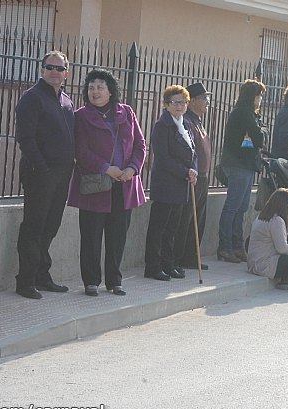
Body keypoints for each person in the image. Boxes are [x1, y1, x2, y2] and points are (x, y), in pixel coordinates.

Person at [67, 69, 146, 297]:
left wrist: (132, 168)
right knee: (91, 235)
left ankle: (115, 280)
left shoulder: (127, 113)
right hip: (95, 185)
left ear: (111, 91)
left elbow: (140, 145)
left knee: (117, 235)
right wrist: (106, 168)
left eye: (100, 87)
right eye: (91, 87)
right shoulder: (81, 116)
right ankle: (91, 281)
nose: (95, 91)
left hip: (125, 184)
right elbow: (81, 151)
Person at [14, 50, 75, 299]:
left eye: (59, 69)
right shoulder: (32, 98)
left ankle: (42, 274)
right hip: (40, 172)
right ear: (42, 70)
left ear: (66, 74)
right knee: (34, 227)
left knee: (51, 225)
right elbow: (25, 138)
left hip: (62, 174)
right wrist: (42, 167)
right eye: (50, 67)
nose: (54, 72)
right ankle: (25, 281)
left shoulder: (67, 101)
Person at [144, 85, 197, 281]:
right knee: (159, 228)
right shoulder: (162, 125)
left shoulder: (187, 124)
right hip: (166, 184)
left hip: (181, 185)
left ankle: (169, 263)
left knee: (173, 228)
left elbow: (193, 153)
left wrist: (194, 170)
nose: (179, 106)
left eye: (183, 102)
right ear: (166, 105)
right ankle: (153, 266)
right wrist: (185, 171)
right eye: (175, 102)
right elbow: (163, 158)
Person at [218, 79, 269, 263]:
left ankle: (237, 245)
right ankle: (225, 246)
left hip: (245, 165)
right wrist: (262, 130)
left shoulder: (251, 114)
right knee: (233, 206)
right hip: (238, 164)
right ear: (252, 96)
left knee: (241, 207)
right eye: (259, 96)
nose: (261, 99)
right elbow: (259, 137)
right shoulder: (244, 113)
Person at [174, 82, 211, 271]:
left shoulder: (198, 121)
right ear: (193, 100)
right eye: (204, 98)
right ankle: (179, 258)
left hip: (204, 178)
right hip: (193, 177)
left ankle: (191, 256)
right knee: (187, 219)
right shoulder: (187, 121)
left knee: (199, 219)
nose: (207, 102)